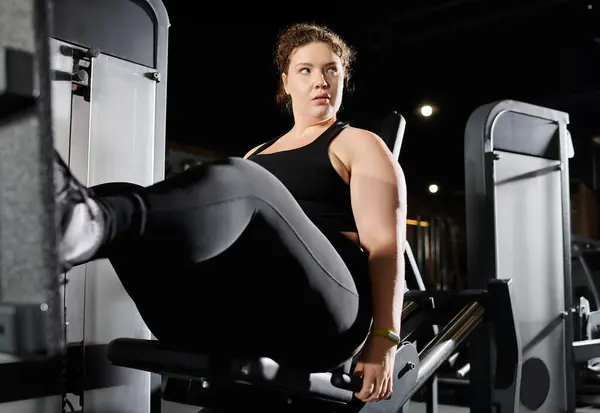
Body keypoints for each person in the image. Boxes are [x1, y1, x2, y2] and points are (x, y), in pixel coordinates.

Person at [54, 22, 407, 403]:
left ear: (342, 79)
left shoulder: (357, 142)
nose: (320, 80)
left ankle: (89, 224)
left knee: (243, 180)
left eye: (331, 69)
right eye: (306, 70)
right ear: (286, 82)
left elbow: (386, 248)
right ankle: (61, 232)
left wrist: (384, 339)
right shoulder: (257, 154)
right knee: (114, 194)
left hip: (327, 314)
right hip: (242, 313)